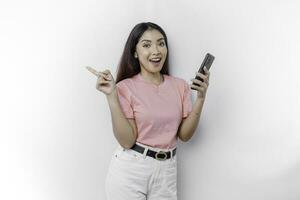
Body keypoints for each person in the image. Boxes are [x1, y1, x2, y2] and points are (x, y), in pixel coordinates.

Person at [87, 22, 210, 200]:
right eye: (146, 45)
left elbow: (184, 135)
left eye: (161, 43)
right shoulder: (124, 87)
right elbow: (127, 141)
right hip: (131, 170)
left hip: (166, 171)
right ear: (135, 52)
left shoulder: (180, 86)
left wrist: (200, 98)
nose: (156, 51)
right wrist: (112, 96)